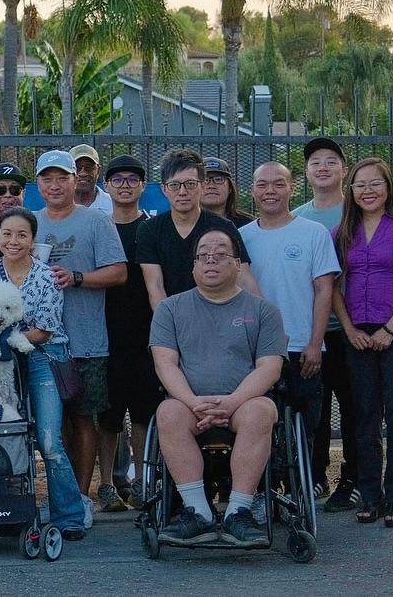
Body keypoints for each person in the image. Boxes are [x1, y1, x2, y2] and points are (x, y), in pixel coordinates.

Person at [150, 229, 285, 547]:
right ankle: (199, 513)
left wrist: (233, 402)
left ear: (239, 264)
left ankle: (239, 512)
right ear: (193, 266)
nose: (211, 258)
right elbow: (165, 364)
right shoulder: (170, 309)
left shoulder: (264, 311)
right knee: (167, 411)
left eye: (221, 253)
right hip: (189, 404)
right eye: (203, 254)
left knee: (262, 410)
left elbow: (270, 367)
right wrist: (193, 402)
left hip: (243, 402)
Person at [0, 208, 88, 540]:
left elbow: (45, 330)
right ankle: (0, 510)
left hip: (42, 357)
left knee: (49, 440)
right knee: (0, 433)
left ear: (33, 239)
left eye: (22, 235)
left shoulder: (48, 276)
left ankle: (70, 515)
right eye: (7, 234)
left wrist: (2, 340)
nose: (13, 241)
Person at [331, 158, 393, 528]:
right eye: (360, 185)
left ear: (388, 187)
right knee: (364, 416)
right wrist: (349, 329)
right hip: (357, 333)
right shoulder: (341, 233)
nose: (367, 191)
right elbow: (332, 288)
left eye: (375, 183)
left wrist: (389, 329)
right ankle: (370, 495)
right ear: (351, 191)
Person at [31, 150, 127, 527]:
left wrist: (77, 278)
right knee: (49, 429)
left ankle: (81, 497)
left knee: (83, 420)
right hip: (39, 342)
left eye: (62, 178)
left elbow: (119, 272)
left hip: (85, 340)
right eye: (47, 179)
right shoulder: (28, 222)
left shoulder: (97, 222)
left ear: (76, 180)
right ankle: (58, 498)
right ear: (37, 184)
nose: (54, 186)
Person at [240, 161, 339, 510]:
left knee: (304, 428)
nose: (270, 191)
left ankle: (301, 494)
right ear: (252, 190)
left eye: (278, 184)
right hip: (256, 353)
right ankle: (262, 496)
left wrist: (315, 343)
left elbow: (324, 291)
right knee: (259, 428)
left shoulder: (312, 233)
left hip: (302, 347)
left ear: (291, 188)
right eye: (262, 184)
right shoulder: (242, 237)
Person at [293, 136, 359, 510]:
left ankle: (353, 480)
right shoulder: (299, 217)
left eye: (331, 161)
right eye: (315, 161)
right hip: (311, 332)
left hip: (353, 330)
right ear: (307, 171)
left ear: (343, 170)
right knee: (312, 410)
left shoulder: (358, 211)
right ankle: (314, 475)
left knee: (354, 409)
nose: (323, 167)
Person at [96, 155, 158, 512]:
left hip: (146, 335)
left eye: (132, 179)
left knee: (143, 414)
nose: (124, 185)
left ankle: (139, 482)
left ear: (142, 187)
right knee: (107, 416)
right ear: (108, 186)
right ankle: (105, 485)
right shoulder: (98, 227)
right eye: (117, 179)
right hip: (104, 336)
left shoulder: (151, 229)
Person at [137, 148, 258, 307]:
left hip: (219, 317)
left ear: (202, 186)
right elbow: (155, 287)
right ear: (164, 189)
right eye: (174, 185)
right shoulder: (149, 229)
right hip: (172, 318)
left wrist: (266, 322)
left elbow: (243, 278)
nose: (182, 192)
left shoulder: (224, 227)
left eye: (190, 184)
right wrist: (168, 327)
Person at [200, 157, 255, 228]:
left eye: (218, 179)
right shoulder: (184, 224)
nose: (211, 186)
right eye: (205, 180)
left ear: (230, 188)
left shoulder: (247, 225)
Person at [69, 144, 113, 213]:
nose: (83, 173)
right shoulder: (59, 205)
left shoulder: (113, 205)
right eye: (77, 168)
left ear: (98, 170)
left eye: (88, 167)